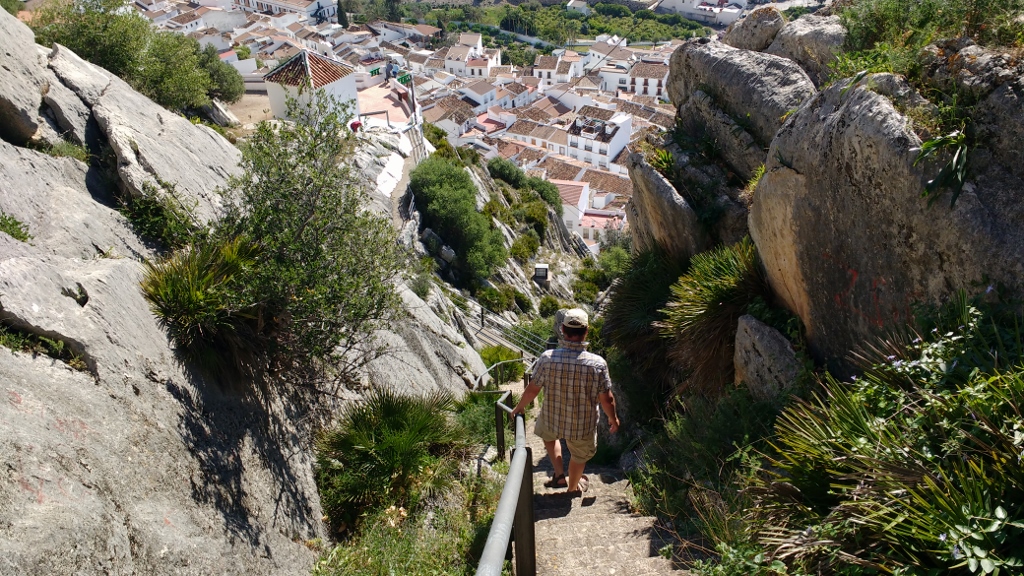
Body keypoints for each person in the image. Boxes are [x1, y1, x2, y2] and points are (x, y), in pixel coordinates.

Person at [512, 308, 621, 494]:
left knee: (548, 437)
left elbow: (533, 389)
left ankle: (559, 474)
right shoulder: (598, 364)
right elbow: (607, 398)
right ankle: (572, 488)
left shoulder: (547, 358)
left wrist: (519, 407)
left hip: (552, 418)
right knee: (579, 456)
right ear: (586, 331)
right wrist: (613, 418)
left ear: (562, 329)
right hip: (582, 424)